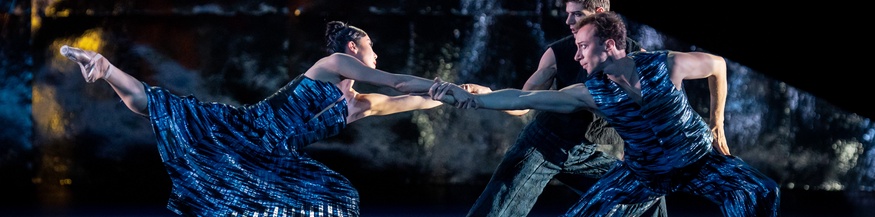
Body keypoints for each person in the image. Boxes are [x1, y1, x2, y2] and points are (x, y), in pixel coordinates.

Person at [60, 21, 448, 216]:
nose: (375, 54)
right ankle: (105, 67)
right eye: (370, 47)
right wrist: (444, 88)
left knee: (338, 196)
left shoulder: (358, 105)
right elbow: (397, 82)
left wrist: (459, 95)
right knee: (162, 106)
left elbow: (413, 99)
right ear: (352, 47)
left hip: (269, 158)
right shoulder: (335, 63)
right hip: (247, 129)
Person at [430, 12, 778, 216]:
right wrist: (472, 97)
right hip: (645, 174)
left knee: (761, 192)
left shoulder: (666, 65)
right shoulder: (590, 93)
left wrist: (717, 124)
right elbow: (524, 97)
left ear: (609, 45)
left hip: (698, 159)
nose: (577, 56)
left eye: (583, 46)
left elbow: (717, 65)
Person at [459, 0, 664, 216]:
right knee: (495, 209)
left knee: (649, 193)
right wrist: (487, 95)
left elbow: (650, 111)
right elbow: (523, 101)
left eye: (577, 14)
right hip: (543, 146)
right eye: (567, 14)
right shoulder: (558, 53)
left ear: (599, 13)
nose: (568, 21)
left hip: (586, 153)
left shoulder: (636, 56)